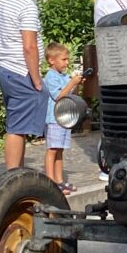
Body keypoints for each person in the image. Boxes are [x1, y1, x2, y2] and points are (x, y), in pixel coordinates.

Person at [0, 0, 47, 170]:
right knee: (17, 128)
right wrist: (36, 80)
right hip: (20, 70)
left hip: (5, 67)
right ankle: (13, 176)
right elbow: (29, 46)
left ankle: (18, 173)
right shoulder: (25, 4)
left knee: (18, 125)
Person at [43, 42, 85, 194]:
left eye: (67, 59)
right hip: (54, 119)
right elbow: (59, 96)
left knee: (60, 150)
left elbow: (72, 94)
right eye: (64, 59)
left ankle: (59, 181)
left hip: (64, 119)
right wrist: (71, 82)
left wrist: (77, 84)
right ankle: (51, 183)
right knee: (52, 150)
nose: (67, 63)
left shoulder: (64, 76)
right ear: (51, 60)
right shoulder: (50, 77)